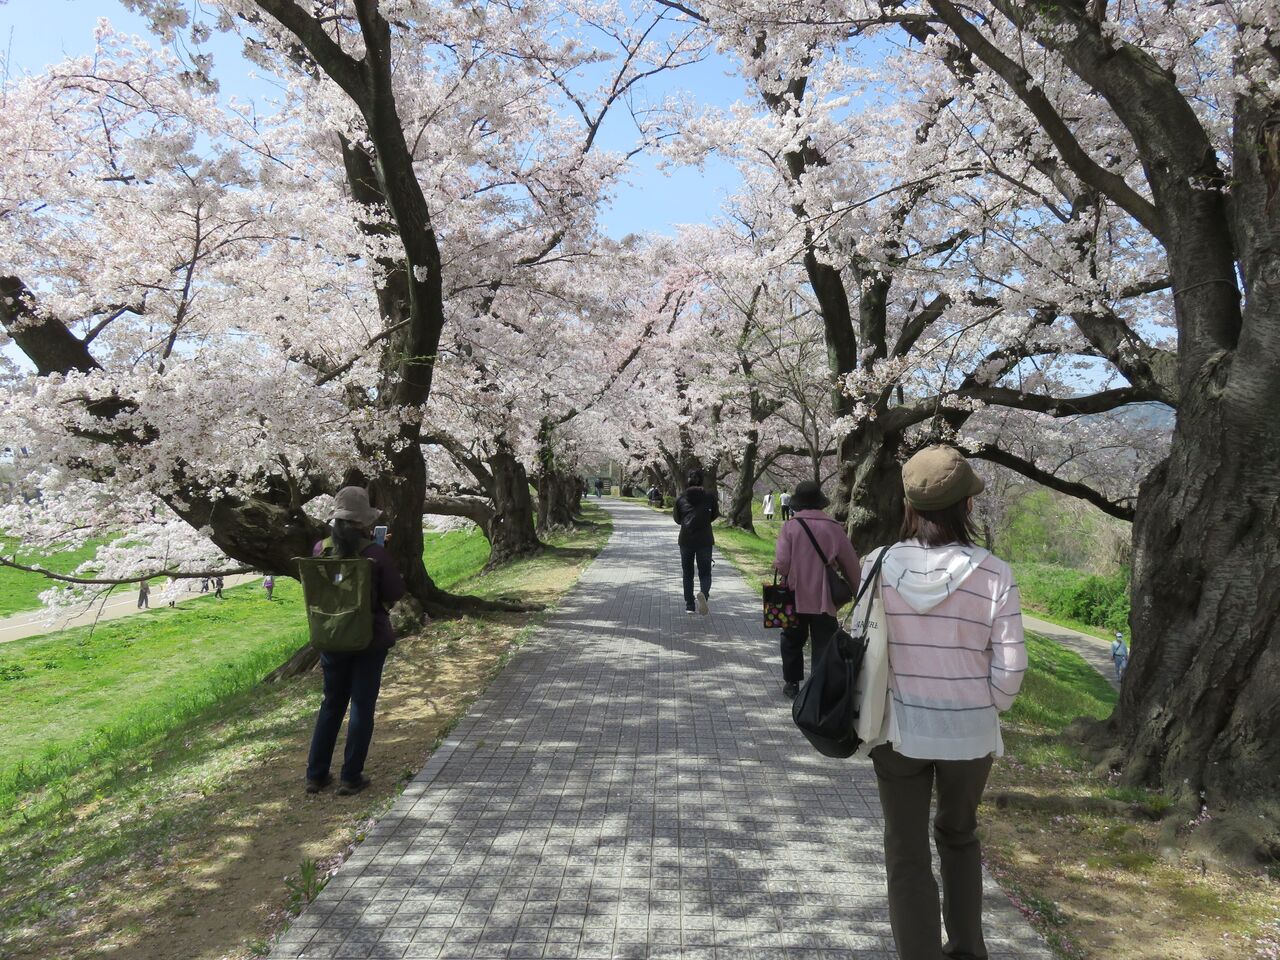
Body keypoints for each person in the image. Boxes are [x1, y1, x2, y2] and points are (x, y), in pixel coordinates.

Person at [860, 445, 1027, 960]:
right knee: (959, 837)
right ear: (967, 505)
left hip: (898, 732)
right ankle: (967, 951)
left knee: (906, 852)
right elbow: (1011, 670)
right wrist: (984, 704)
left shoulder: (877, 565)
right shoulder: (994, 573)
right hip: (970, 735)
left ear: (909, 505)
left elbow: (866, 649)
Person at [307, 486, 406, 796]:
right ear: (363, 521)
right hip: (369, 638)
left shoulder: (320, 550)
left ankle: (316, 775)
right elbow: (394, 592)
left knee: (331, 702)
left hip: (332, 636)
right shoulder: (374, 553)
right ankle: (351, 776)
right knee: (362, 704)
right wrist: (380, 553)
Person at [773, 480, 860, 699]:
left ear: (798, 503)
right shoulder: (833, 527)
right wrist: (859, 590)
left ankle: (792, 683)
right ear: (820, 502)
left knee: (791, 639)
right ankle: (818, 687)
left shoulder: (790, 526)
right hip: (824, 598)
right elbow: (850, 564)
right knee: (823, 642)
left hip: (794, 594)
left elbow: (782, 563)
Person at [673, 468, 719, 615]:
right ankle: (703, 594)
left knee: (687, 574)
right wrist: (704, 520)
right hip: (705, 539)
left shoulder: (681, 498)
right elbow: (715, 514)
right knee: (705, 573)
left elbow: (677, 519)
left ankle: (689, 605)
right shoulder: (710, 497)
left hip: (686, 539)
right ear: (701, 480)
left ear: (688, 481)